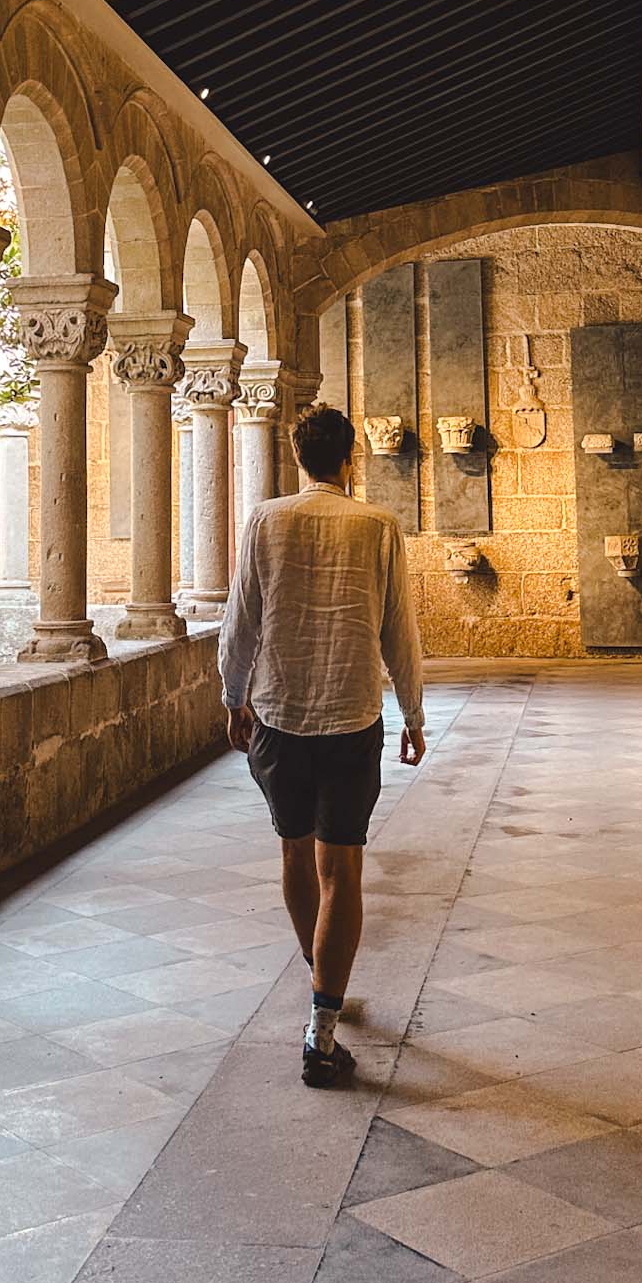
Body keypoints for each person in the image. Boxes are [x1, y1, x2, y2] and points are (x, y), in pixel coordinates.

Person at [219, 403, 425, 1088]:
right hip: (350, 714)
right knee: (343, 869)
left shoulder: (265, 520)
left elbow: (240, 617)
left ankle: (319, 985)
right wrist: (414, 714)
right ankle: (323, 1023)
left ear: (297, 455)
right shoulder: (376, 526)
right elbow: (399, 629)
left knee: (294, 853)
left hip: (278, 713)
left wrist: (232, 696)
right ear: (349, 459)